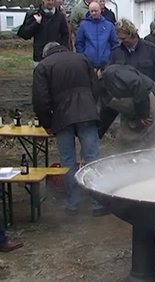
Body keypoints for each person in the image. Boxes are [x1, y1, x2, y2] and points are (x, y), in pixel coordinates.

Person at [32, 42, 106, 216]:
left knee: (67, 162)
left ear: (46, 53)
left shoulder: (43, 66)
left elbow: (40, 100)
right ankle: (97, 203)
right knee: (92, 159)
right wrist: (90, 105)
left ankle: (73, 204)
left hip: (62, 118)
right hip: (87, 114)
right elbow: (96, 87)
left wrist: (47, 123)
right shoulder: (82, 58)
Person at [96, 64, 155, 149]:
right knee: (130, 144)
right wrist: (97, 135)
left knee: (153, 142)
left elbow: (138, 84)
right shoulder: (103, 82)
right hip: (142, 106)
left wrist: (144, 114)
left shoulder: (111, 73)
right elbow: (110, 110)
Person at [110, 18, 155, 85]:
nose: (120, 41)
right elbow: (110, 74)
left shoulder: (151, 49)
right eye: (119, 38)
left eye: (123, 38)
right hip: (124, 93)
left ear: (132, 35)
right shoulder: (116, 52)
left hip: (147, 92)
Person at [17, 0, 70, 66]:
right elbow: (24, 34)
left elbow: (65, 35)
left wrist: (63, 51)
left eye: (52, 0)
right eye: (48, 0)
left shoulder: (60, 16)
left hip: (56, 56)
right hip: (40, 57)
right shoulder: (35, 15)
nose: (50, 2)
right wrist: (36, 24)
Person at [75, 2, 118, 70]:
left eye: (96, 11)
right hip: (89, 64)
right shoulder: (83, 25)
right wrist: (84, 57)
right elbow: (79, 43)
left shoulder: (109, 26)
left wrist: (111, 59)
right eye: (92, 11)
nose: (94, 13)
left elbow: (115, 44)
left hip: (107, 64)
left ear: (100, 10)